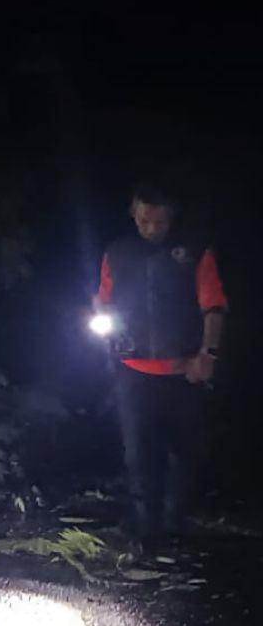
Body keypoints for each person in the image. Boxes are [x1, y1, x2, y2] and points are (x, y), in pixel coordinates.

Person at [94, 183, 227, 547]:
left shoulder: (193, 251)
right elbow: (102, 302)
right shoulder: (118, 253)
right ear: (134, 216)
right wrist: (107, 332)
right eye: (144, 221)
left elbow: (213, 305)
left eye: (159, 221)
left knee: (185, 450)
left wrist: (208, 354)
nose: (151, 228)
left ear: (171, 217)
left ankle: (175, 523)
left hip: (184, 369)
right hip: (133, 368)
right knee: (137, 450)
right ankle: (144, 526)